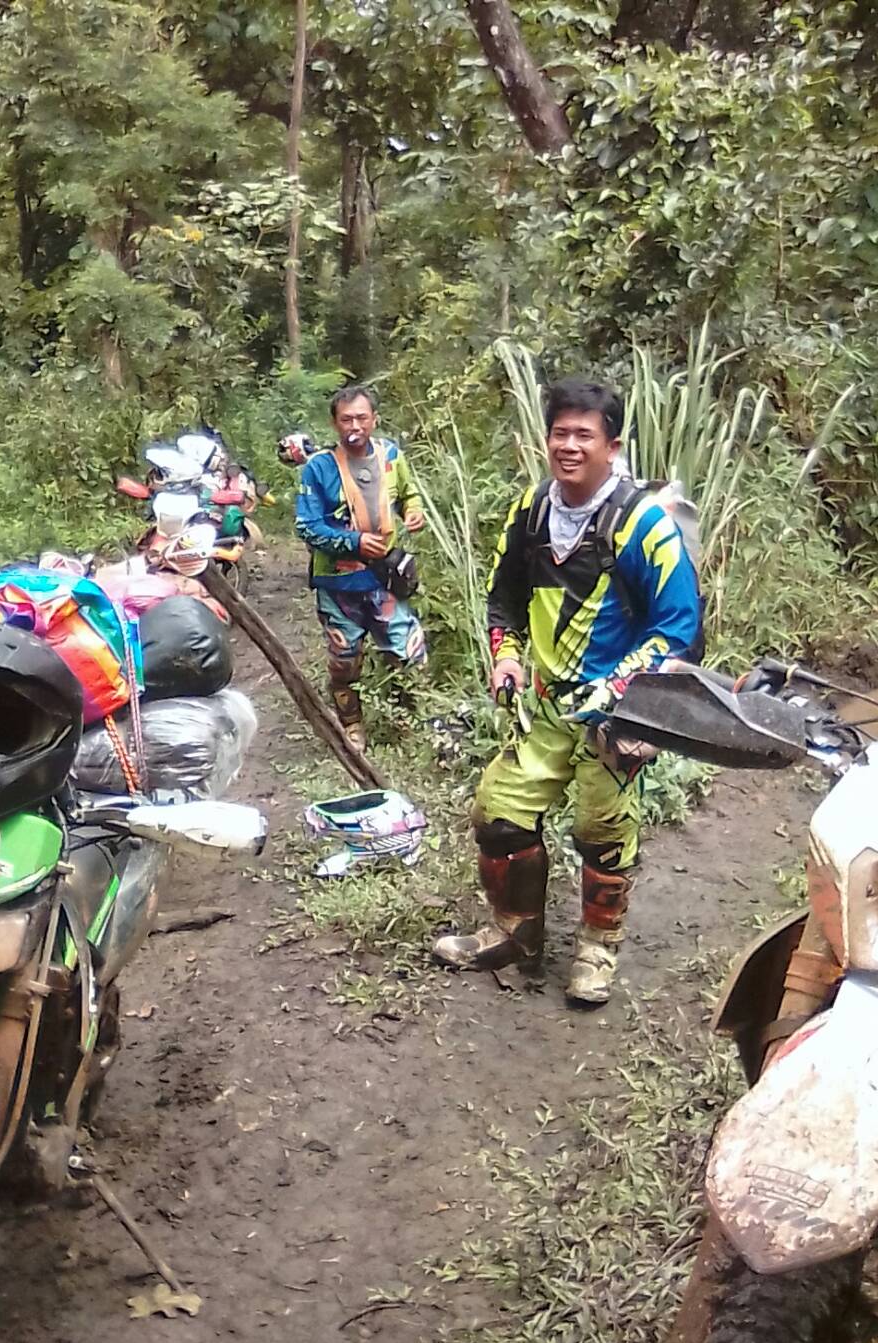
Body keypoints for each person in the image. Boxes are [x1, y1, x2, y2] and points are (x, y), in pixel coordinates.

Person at [434, 377, 701, 1005]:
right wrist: (506, 656)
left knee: (603, 831)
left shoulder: (643, 525)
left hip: (619, 715)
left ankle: (597, 950)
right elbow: (503, 598)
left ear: (613, 446)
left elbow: (679, 627)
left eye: (585, 434)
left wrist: (618, 688)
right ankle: (515, 934)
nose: (570, 446)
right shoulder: (531, 512)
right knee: (498, 815)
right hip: (549, 706)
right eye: (560, 433)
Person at [295, 385, 426, 753]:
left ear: (375, 420)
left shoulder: (391, 456)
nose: (355, 426)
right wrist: (353, 542)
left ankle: (412, 723)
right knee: (344, 660)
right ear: (334, 424)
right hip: (338, 584)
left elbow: (409, 494)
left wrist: (414, 512)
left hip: (386, 577)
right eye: (346, 419)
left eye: (362, 418)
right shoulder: (319, 467)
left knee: (408, 651)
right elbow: (306, 525)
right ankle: (351, 726)